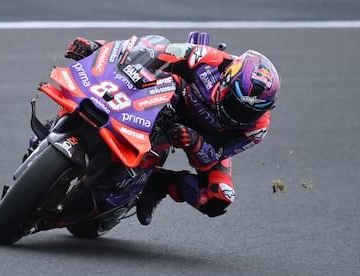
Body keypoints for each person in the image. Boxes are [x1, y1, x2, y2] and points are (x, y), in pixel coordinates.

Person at [64, 34, 280, 225]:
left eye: (248, 113)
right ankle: (58, 128)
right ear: (226, 81)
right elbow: (150, 50)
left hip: (203, 138)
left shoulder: (255, 129)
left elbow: (215, 156)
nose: (238, 116)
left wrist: (195, 143)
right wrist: (99, 49)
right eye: (235, 104)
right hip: (169, 96)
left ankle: (160, 183)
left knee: (218, 197)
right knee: (105, 85)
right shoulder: (207, 59)